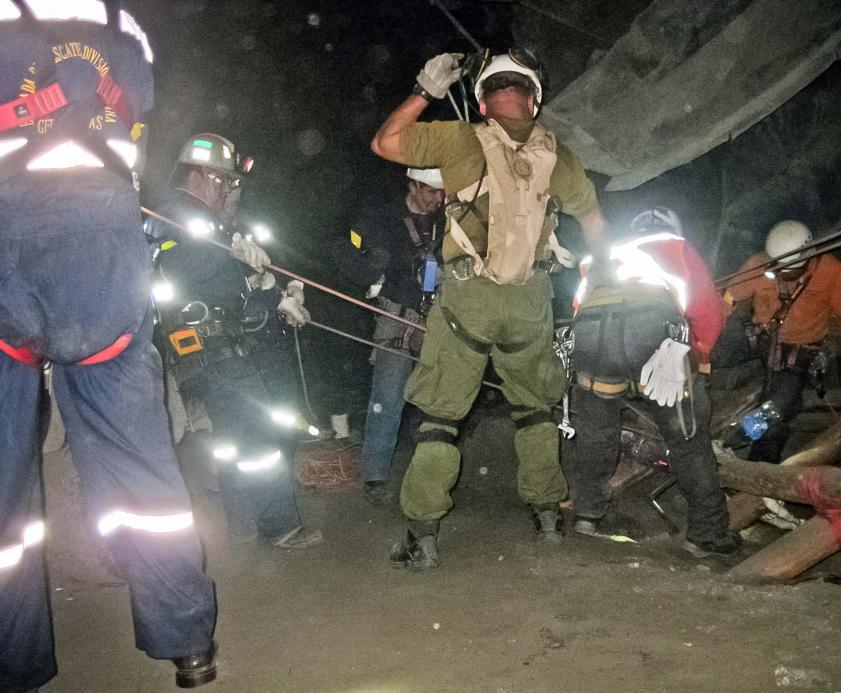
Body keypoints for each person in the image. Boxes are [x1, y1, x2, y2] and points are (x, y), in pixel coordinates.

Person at [0, 3, 217, 689]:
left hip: (9, 239)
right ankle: (187, 641)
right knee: (140, 462)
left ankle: (15, 661)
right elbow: (137, 124)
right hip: (105, 245)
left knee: (2, 481)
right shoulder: (127, 28)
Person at [371, 49, 609, 569]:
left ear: (482, 100)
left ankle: (424, 533)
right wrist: (590, 274)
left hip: (468, 299)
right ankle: (547, 514)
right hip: (529, 299)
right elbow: (594, 222)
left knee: (440, 415)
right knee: (535, 409)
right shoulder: (558, 153)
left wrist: (425, 89)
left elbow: (385, 143)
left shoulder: (461, 137)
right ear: (535, 99)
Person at [149, 133, 323, 550]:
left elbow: (228, 285)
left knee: (231, 437)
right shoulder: (174, 213)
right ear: (201, 175)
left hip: (221, 341)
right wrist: (229, 252)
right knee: (259, 434)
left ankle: (241, 519)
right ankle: (279, 525)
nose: (228, 189)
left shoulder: (207, 220)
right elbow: (180, 262)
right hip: (207, 344)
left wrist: (272, 295)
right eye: (224, 180)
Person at [567, 208, 737, 558]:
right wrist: (697, 358)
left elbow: (577, 306)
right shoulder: (678, 248)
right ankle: (707, 534)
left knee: (596, 432)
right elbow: (708, 311)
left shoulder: (605, 253)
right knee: (687, 439)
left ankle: (589, 516)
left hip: (593, 332)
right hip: (651, 329)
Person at [721, 220, 841, 463]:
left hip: (798, 348)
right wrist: (710, 328)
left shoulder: (829, 271)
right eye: (781, 272)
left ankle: (741, 441)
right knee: (716, 348)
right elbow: (728, 297)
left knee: (779, 403)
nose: (786, 276)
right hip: (761, 337)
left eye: (793, 271)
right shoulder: (759, 265)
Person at [337, 167, 444, 505]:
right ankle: (375, 477)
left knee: (440, 398)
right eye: (429, 191)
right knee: (387, 397)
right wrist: (369, 265)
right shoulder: (383, 218)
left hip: (436, 317)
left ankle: (434, 472)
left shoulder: (445, 222)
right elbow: (349, 249)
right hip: (396, 316)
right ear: (412, 186)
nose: (436, 199)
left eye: (440, 193)